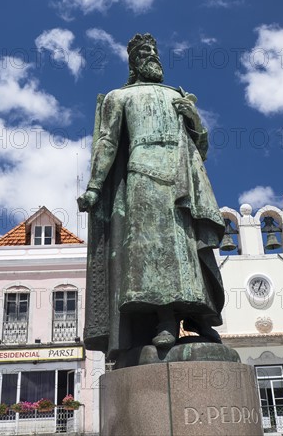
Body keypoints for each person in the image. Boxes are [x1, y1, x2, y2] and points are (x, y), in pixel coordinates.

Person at [77, 33, 225, 362]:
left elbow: (200, 151)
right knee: (153, 257)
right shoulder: (119, 97)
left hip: (181, 181)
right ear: (134, 62)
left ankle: (197, 316)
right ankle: (164, 318)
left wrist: (195, 120)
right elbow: (108, 144)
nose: (151, 55)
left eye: (154, 51)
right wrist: (94, 187)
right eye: (144, 52)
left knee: (187, 254)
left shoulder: (178, 96)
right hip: (142, 177)